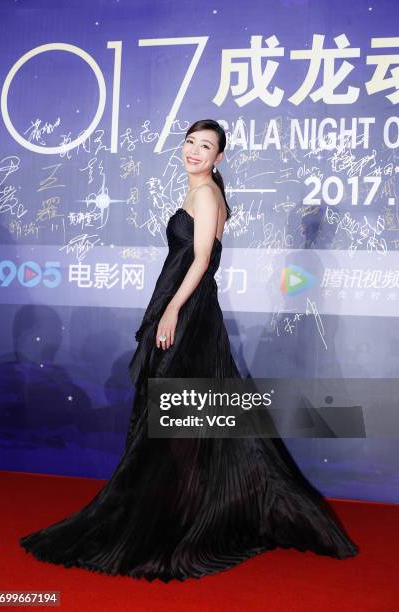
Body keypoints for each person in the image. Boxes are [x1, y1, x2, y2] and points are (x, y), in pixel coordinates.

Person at [19, 119, 359, 583]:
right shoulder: (205, 192)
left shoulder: (204, 195)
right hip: (192, 308)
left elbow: (200, 260)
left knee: (175, 412)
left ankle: (179, 515)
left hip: (190, 310)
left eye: (208, 146)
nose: (196, 151)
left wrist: (172, 311)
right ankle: (198, 505)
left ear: (220, 158)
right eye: (192, 142)